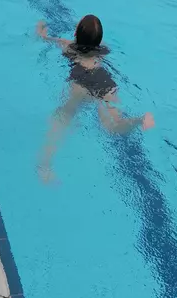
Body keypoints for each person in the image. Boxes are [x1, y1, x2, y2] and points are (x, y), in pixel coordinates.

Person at [36, 15, 154, 182]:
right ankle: (140, 120)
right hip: (103, 80)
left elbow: (47, 39)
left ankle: (45, 165)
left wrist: (41, 32)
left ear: (76, 33)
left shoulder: (68, 46)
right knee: (113, 125)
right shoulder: (104, 49)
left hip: (81, 82)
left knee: (63, 117)